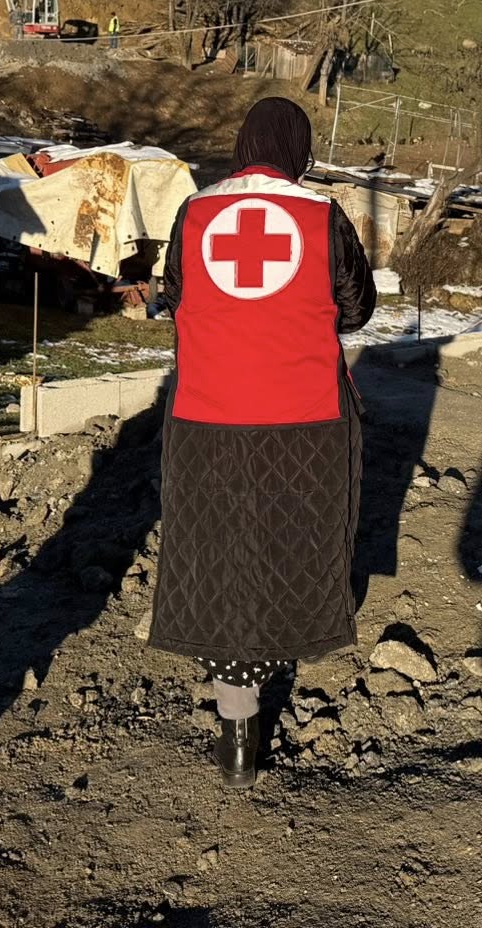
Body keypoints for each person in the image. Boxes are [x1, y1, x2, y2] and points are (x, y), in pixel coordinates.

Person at [149, 96, 377, 786]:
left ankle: (235, 724)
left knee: (221, 557)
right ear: (296, 148)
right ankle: (275, 660)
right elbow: (358, 309)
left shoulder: (195, 213)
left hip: (206, 417)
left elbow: (174, 296)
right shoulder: (321, 216)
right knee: (291, 546)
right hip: (303, 420)